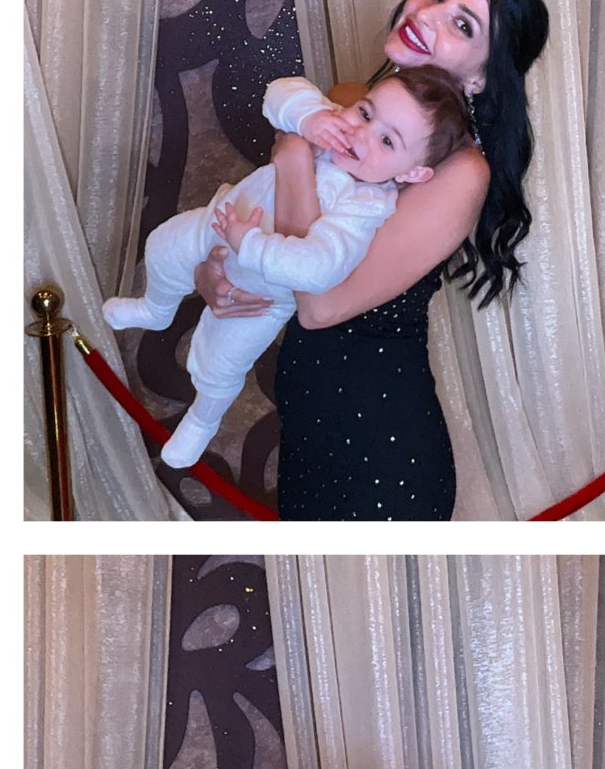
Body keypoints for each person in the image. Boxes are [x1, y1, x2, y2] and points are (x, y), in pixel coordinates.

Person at [191, 0, 550, 521]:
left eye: (463, 25)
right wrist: (213, 270)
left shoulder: (461, 172)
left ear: (482, 74)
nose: (428, 15)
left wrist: (291, 155)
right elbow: (263, 228)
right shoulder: (349, 98)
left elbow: (319, 303)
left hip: (381, 449)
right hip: (308, 428)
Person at [101, 64, 466, 473]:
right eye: (365, 112)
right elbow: (279, 92)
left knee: (220, 363)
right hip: (221, 220)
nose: (360, 134)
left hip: (261, 292)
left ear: (412, 172)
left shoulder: (366, 207)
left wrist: (250, 244)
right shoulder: (330, 126)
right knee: (162, 247)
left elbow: (318, 269)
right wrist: (310, 118)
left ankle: (202, 418)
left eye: (386, 140)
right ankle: (156, 307)